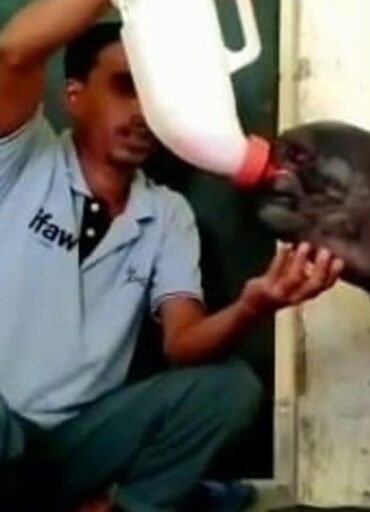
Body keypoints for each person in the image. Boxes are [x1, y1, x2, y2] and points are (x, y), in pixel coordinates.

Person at [0, 1, 344, 510]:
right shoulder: (23, 156)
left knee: (230, 388)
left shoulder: (166, 214)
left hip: (79, 442)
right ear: (74, 96)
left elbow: (182, 343)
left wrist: (257, 304)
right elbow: (13, 53)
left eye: (154, 94)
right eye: (125, 87)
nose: (145, 112)